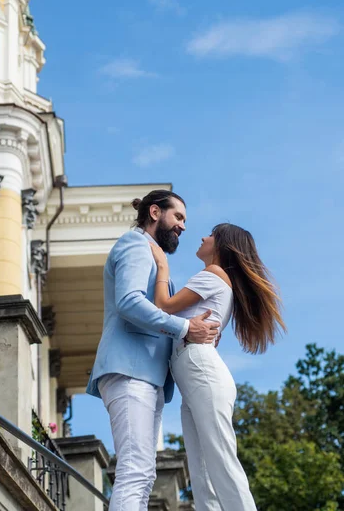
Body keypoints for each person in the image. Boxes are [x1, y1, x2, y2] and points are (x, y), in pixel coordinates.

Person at [86, 190, 221, 510]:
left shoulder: (151, 253)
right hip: (130, 369)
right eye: (179, 217)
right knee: (135, 471)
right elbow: (130, 303)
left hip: (146, 375)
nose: (184, 227)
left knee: (144, 474)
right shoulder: (135, 245)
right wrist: (188, 328)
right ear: (156, 212)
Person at [149, 223, 286, 511]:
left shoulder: (213, 274)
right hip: (194, 378)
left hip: (201, 372)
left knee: (221, 461)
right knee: (202, 475)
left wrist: (162, 266)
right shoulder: (219, 280)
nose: (202, 237)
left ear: (222, 245)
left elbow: (164, 306)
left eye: (211, 234)